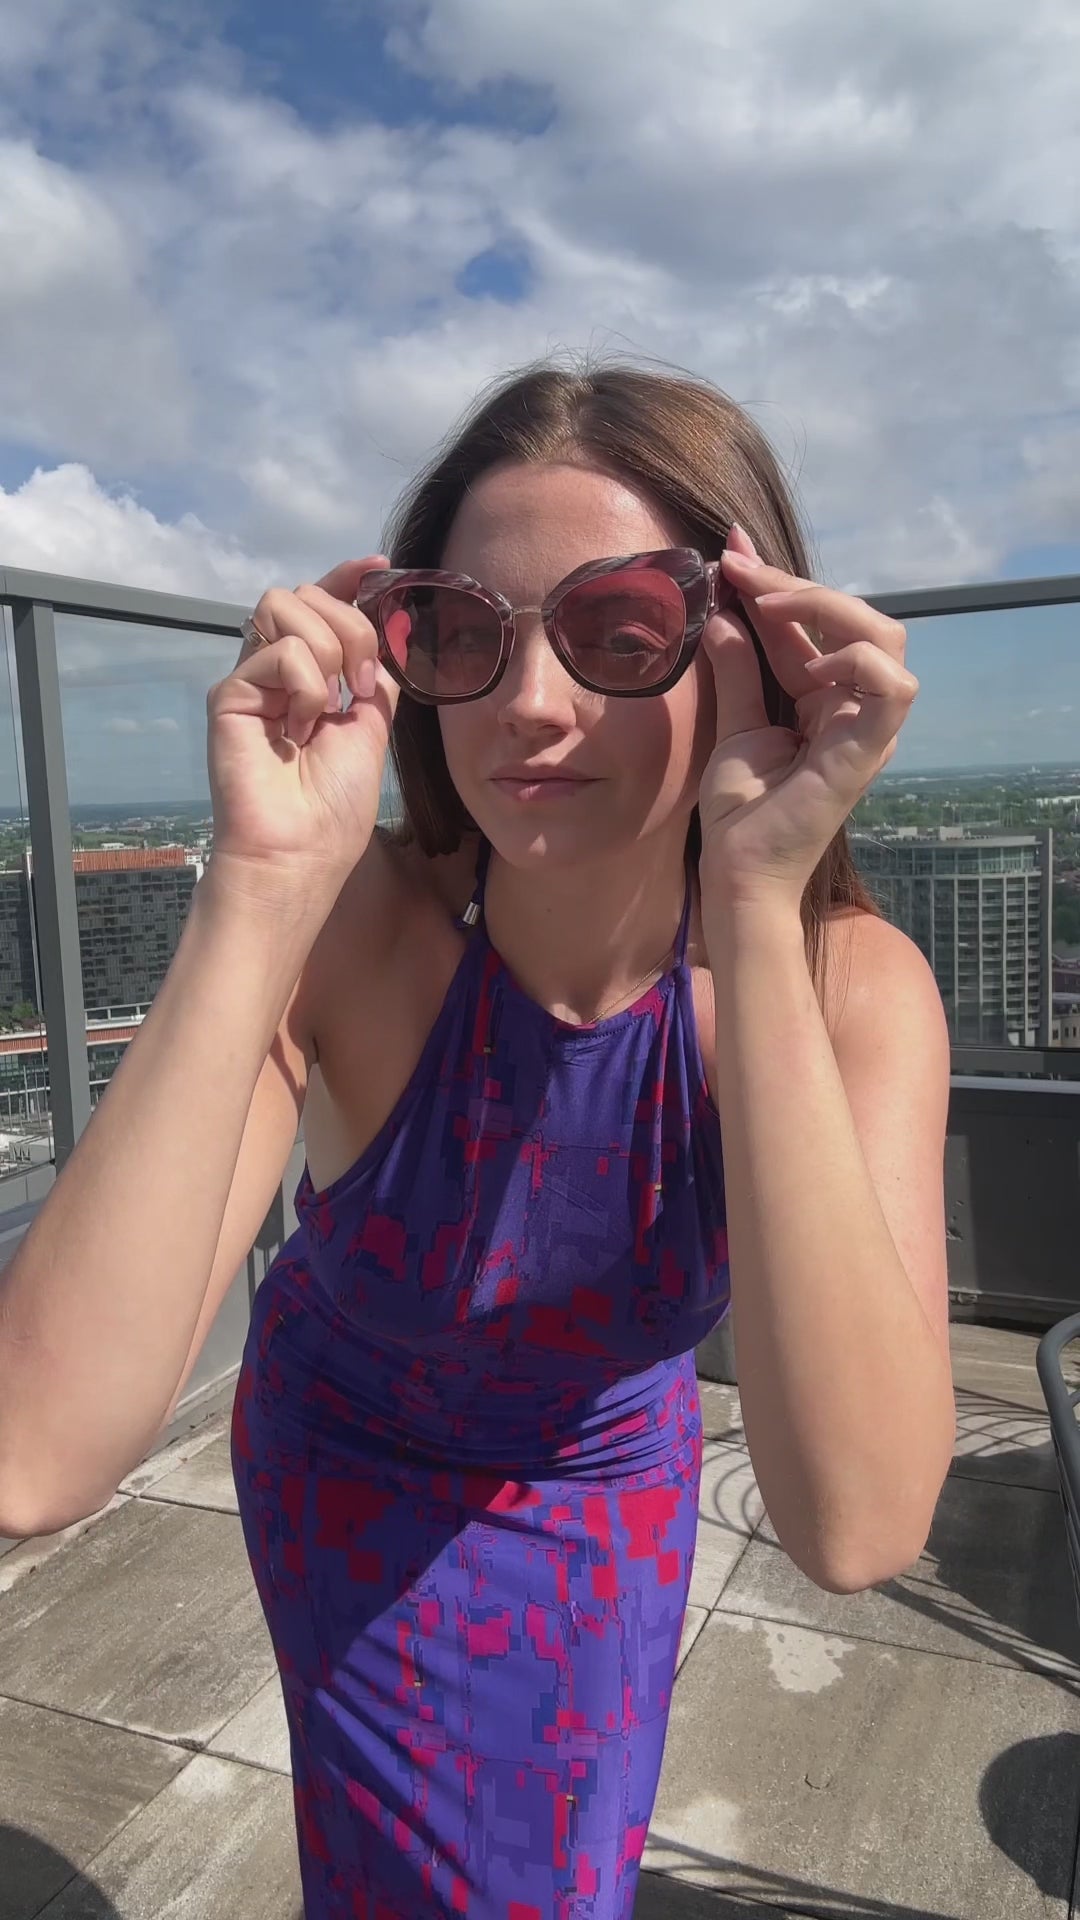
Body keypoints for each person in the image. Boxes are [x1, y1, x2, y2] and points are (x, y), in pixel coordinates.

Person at [0, 362, 956, 1919]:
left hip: (605, 1487)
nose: (529, 702)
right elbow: (30, 1451)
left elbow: (855, 1522)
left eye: (621, 630)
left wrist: (754, 905)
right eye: (463, 632)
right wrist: (262, 882)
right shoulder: (358, 930)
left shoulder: (846, 990)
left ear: (753, 652)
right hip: (344, 1463)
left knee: (564, 1876)